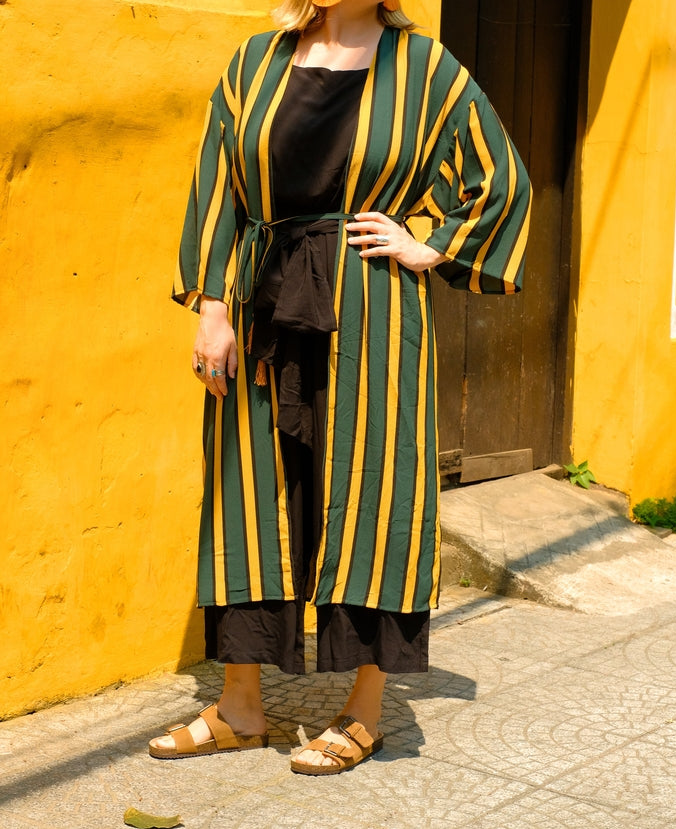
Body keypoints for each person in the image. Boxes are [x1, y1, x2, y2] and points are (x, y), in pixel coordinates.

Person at [149, 0, 531, 775]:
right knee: (250, 491)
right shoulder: (257, 59)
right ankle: (240, 706)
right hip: (264, 299)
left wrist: (430, 245)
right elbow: (218, 183)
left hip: (372, 309)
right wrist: (214, 307)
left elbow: (503, 179)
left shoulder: (423, 68)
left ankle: (363, 710)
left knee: (370, 489)